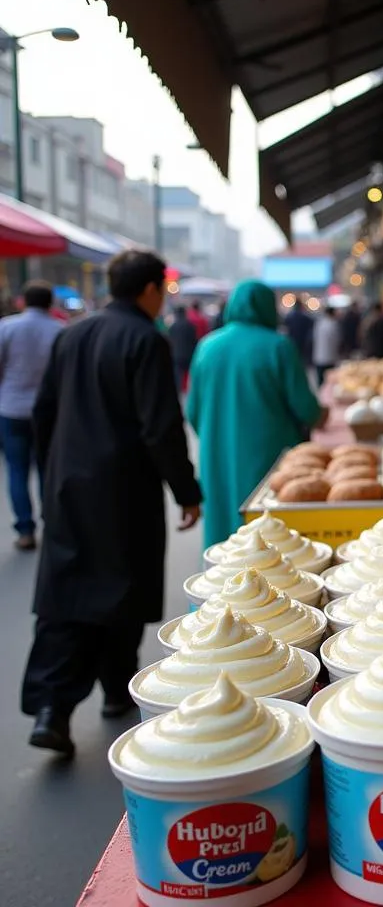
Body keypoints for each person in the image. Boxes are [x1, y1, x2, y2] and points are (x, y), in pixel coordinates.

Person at [23, 250, 201, 756]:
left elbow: (43, 413)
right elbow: (161, 428)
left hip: (68, 486)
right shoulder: (145, 340)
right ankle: (114, 692)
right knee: (122, 587)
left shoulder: (71, 334)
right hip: (124, 490)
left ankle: (51, 709)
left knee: (65, 592)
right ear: (148, 289)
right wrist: (186, 492)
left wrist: (50, 472)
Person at [187, 280, 325, 549]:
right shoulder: (278, 346)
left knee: (224, 540)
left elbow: (193, 412)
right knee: (269, 546)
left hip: (218, 457)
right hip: (269, 459)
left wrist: (219, 434)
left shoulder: (207, 347)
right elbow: (306, 409)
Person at [0, 282, 64, 550]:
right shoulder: (60, 331)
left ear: (23, 301)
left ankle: (25, 529)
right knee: (47, 470)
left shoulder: (7, 327)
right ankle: (51, 523)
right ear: (50, 303)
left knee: (16, 470)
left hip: (11, 409)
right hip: (49, 412)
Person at [167, 305, 198, 394]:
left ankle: (177, 391)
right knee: (190, 375)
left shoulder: (173, 326)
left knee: (178, 375)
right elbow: (194, 340)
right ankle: (191, 390)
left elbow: (170, 340)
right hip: (189, 353)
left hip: (176, 354)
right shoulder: (190, 325)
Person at [312, 306, 340, 388]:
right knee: (329, 381)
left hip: (320, 355)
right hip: (330, 356)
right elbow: (337, 340)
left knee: (321, 380)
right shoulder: (333, 324)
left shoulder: (319, 323)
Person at [283, 298, 313, 366]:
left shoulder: (289, 317)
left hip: (292, 341)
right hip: (303, 342)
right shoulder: (305, 317)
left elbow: (285, 329)